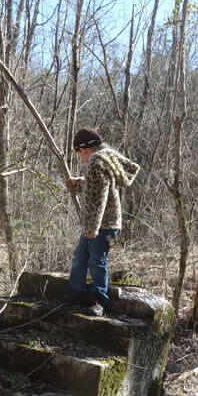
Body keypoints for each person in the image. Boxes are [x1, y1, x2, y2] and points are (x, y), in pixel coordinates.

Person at [62, 127, 140, 317]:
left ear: (85, 150)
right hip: (101, 224)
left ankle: (99, 300)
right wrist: (77, 183)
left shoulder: (96, 162)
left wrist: (91, 228)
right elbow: (94, 185)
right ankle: (76, 293)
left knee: (97, 261)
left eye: (79, 153)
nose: (81, 157)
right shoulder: (104, 160)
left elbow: (98, 198)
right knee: (80, 256)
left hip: (101, 226)